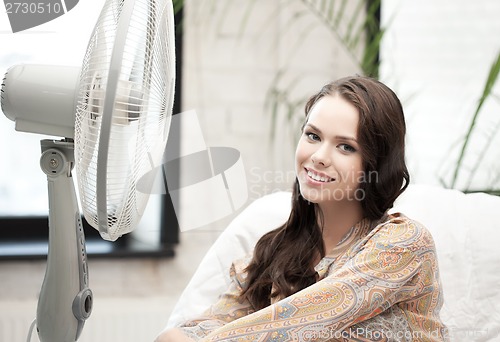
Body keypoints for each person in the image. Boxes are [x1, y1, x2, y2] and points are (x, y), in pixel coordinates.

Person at [156, 76, 448, 341]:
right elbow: (210, 323)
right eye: (313, 136)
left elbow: (294, 325)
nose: (319, 156)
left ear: (377, 164)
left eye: (346, 147)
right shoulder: (273, 251)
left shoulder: (404, 244)